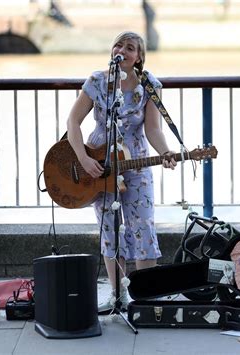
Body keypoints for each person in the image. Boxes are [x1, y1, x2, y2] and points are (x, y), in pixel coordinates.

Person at [66, 31, 177, 312]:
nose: (123, 51)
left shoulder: (149, 85)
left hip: (136, 164)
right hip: (99, 166)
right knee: (110, 231)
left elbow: (153, 128)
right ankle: (117, 296)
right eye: (118, 45)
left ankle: (147, 297)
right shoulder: (97, 81)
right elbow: (73, 121)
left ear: (139, 57)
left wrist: (164, 152)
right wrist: (82, 157)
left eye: (130, 48)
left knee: (143, 227)